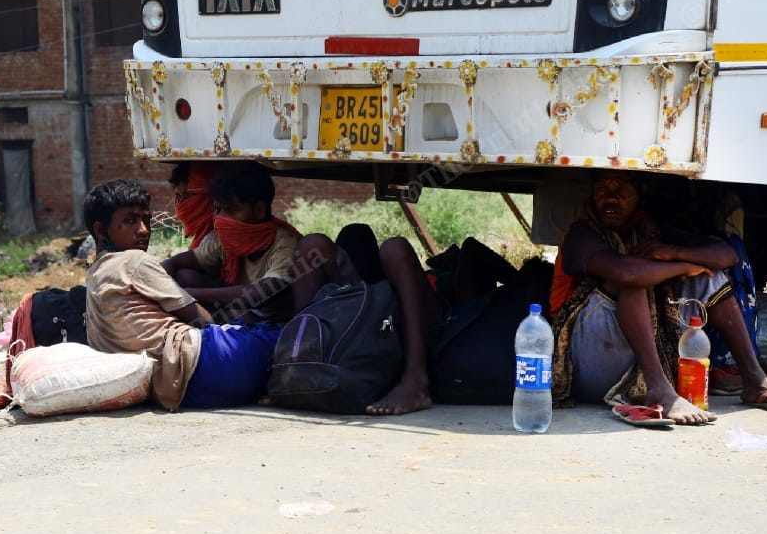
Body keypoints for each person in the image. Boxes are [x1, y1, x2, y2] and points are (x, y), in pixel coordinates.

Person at [549, 170, 767, 425]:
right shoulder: (581, 235)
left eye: (622, 191)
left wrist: (673, 252)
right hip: (584, 363)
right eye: (602, 190)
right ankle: (660, 391)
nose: (611, 199)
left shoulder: (650, 229)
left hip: (633, 356)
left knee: (709, 276)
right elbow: (627, 273)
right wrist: (683, 266)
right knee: (633, 282)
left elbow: (727, 255)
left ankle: (754, 379)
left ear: (641, 193)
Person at [82, 177, 285, 410]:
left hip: (175, 391)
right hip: (209, 364)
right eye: (130, 221)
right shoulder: (134, 261)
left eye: (147, 220)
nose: (144, 230)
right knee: (285, 334)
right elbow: (203, 320)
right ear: (101, 230)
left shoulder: (95, 273)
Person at [290, 226, 533, 415]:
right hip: (367, 312)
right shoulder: (449, 284)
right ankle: (300, 366)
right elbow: (471, 250)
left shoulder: (467, 303)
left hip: (421, 323)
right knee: (316, 244)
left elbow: (471, 252)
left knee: (392, 247)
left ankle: (416, 378)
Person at [161, 161, 301, 324]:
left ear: (259, 210)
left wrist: (188, 294)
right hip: (233, 308)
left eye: (232, 209)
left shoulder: (283, 242)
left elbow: (263, 293)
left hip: (271, 322)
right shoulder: (220, 239)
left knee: (241, 316)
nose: (222, 219)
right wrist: (156, 282)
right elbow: (176, 262)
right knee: (185, 275)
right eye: (218, 210)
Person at [168, 161, 224, 249]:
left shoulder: (218, 238)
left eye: (191, 195)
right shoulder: (203, 239)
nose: (182, 204)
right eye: (178, 196)